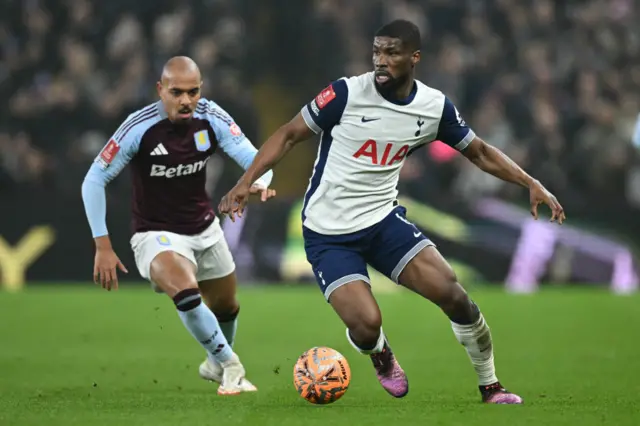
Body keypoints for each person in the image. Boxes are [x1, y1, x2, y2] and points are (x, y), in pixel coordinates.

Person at [218, 20, 566, 404]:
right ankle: (380, 355)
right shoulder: (345, 94)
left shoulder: (433, 107)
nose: (381, 61)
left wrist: (530, 181)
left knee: (455, 296)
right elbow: (287, 134)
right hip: (327, 232)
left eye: (391, 53)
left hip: (383, 224)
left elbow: (479, 152)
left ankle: (491, 386)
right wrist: (244, 181)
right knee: (367, 326)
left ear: (414, 57)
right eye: (376, 51)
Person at [81, 56, 274, 395]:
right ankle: (231, 365)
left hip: (204, 228)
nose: (186, 101)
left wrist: (253, 184)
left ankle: (214, 364)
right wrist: (102, 244)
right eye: (177, 92)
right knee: (186, 291)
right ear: (160, 90)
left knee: (228, 306)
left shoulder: (211, 118)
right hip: (154, 233)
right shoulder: (138, 127)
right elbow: (94, 179)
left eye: (193, 92)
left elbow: (258, 161)